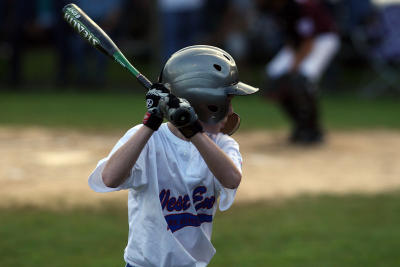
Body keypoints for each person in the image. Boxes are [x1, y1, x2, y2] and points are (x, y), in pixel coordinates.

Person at [88, 45, 258, 267]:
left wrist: (192, 130)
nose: (230, 111)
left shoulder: (223, 145)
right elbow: (110, 178)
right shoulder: (150, 139)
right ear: (204, 103)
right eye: (226, 101)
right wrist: (150, 123)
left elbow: (231, 178)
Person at [260, 0, 340, 144]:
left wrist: (294, 66)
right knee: (274, 76)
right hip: (299, 44)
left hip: (323, 39)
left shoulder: (302, 7)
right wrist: (290, 66)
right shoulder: (277, 9)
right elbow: (291, 38)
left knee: (302, 78)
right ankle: (300, 125)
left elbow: (309, 41)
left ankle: (314, 130)